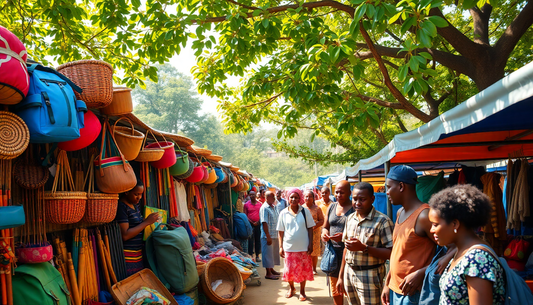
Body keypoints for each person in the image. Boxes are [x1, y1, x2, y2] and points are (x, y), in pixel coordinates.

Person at [381, 165, 454, 305]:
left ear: (401, 186)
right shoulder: (400, 213)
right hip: (395, 290)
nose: (387, 192)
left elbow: (455, 246)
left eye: (389, 187)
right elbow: (397, 252)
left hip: (413, 293)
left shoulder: (424, 216)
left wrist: (422, 272)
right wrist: (387, 283)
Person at [429, 185, 505, 305]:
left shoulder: (477, 260)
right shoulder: (461, 251)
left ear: (455, 224)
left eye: (435, 224)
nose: (431, 230)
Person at [337, 182, 394, 305]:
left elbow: (392, 254)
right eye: (355, 199)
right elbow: (346, 249)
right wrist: (341, 276)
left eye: (362, 199)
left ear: (372, 199)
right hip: (349, 273)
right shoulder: (350, 218)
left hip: (370, 276)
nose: (357, 203)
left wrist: (364, 248)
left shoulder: (383, 222)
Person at [278, 188, 315, 301]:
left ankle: (302, 291)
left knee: (303, 270)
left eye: (296, 197)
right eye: (291, 197)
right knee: (289, 271)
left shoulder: (305, 211)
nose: (293, 199)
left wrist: (310, 243)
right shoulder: (283, 213)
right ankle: (292, 288)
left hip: (303, 247)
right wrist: (280, 246)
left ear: (300, 199)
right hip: (289, 247)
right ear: (288, 198)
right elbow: (280, 231)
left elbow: (310, 228)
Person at [116, 181, 160, 276]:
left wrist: (149, 220)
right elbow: (125, 235)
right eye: (136, 194)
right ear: (126, 192)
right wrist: (146, 222)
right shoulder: (121, 207)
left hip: (138, 254)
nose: (139, 198)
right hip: (128, 256)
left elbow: (136, 224)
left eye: (141, 194)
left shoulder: (135, 206)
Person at [322, 180, 354, 305]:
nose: (339, 195)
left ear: (349, 193)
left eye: (342, 192)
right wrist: (324, 234)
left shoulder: (354, 208)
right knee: (336, 289)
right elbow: (325, 226)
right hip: (333, 253)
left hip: (349, 253)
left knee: (349, 288)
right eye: (337, 192)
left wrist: (344, 237)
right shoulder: (332, 207)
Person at [260, 191, 282, 280]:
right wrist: (268, 236)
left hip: (274, 234)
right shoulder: (264, 208)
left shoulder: (273, 207)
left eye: (274, 197)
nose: (274, 198)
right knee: (267, 254)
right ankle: (268, 273)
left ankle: (271, 269)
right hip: (267, 236)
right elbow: (264, 222)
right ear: (267, 198)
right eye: (272, 197)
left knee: (272, 254)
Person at [303, 190, 324, 274]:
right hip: (304, 233)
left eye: (310, 196)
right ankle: (306, 268)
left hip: (315, 233)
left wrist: (314, 225)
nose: (308, 198)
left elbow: (322, 220)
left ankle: (314, 269)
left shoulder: (317, 208)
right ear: (303, 198)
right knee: (305, 251)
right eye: (306, 196)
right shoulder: (301, 208)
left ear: (313, 198)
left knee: (314, 251)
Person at [244, 190, 262, 261]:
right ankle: (251, 255)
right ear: (249, 196)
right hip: (250, 225)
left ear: (255, 195)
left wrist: (258, 221)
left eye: (253, 195)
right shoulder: (246, 204)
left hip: (258, 224)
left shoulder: (260, 204)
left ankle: (257, 255)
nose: (252, 196)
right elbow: (245, 215)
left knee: (258, 240)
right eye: (250, 195)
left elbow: (262, 214)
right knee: (250, 240)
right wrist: (251, 222)